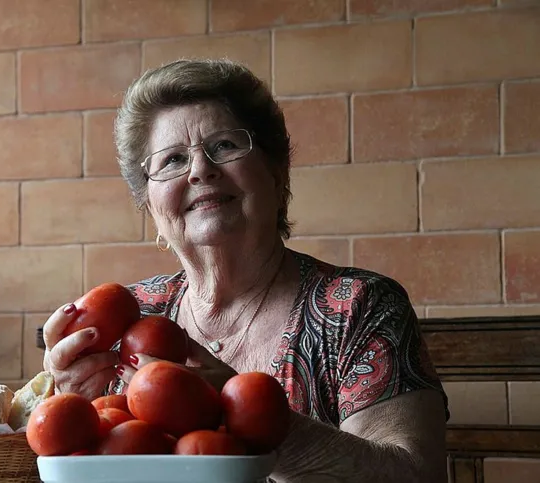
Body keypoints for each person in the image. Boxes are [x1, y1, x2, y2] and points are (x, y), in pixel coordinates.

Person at [42, 59, 449, 482]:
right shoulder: (130, 317)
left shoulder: (356, 307)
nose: (200, 170)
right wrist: (71, 408)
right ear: (149, 204)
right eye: (173, 159)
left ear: (277, 173)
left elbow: (416, 474)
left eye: (223, 146)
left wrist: (249, 417)